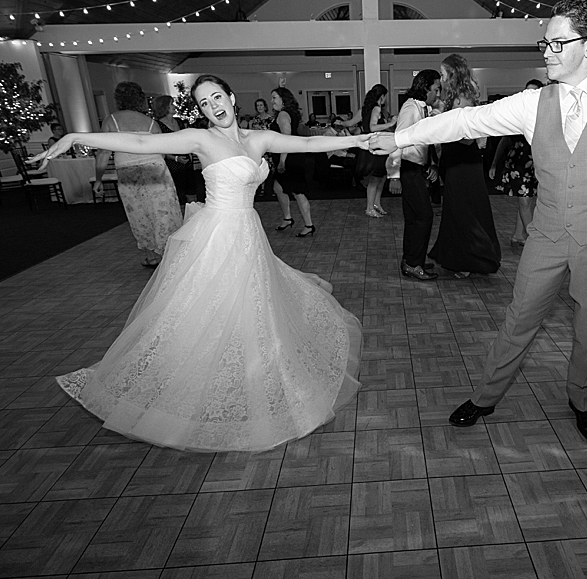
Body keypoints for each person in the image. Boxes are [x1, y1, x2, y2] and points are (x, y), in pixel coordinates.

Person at [371, 0, 587, 443]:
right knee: (518, 318)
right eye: (544, 43)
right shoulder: (532, 103)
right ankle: (486, 396)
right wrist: (401, 136)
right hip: (546, 234)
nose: (546, 52)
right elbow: (466, 122)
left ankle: (582, 399)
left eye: (557, 43)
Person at [27, 74, 368, 452]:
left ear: (231, 96)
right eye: (204, 103)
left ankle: (248, 380)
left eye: (217, 97)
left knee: (253, 311)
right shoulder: (201, 139)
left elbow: (306, 142)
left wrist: (360, 138)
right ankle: (193, 392)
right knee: (207, 314)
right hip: (217, 237)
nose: (213, 106)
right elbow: (140, 141)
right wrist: (77, 138)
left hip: (248, 234)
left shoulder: (257, 138)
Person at [95, 82, 183, 268]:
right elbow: (163, 149)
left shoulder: (111, 121)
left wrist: (98, 178)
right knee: (164, 212)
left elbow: (103, 153)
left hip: (129, 173)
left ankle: (152, 256)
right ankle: (172, 255)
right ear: (140, 98)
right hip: (156, 171)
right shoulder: (151, 123)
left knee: (139, 214)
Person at [428, 54, 501, 278]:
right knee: (454, 209)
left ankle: (473, 259)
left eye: (443, 73)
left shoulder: (464, 96)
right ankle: (454, 256)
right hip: (454, 160)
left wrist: (443, 123)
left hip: (465, 162)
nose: (440, 78)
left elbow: (468, 138)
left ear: (453, 73)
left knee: (466, 210)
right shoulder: (452, 96)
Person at [385, 69, 442, 280]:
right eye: (436, 89)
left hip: (416, 168)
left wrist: (431, 164)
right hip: (408, 168)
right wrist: (394, 176)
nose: (438, 94)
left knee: (413, 218)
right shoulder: (410, 107)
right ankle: (413, 262)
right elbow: (397, 140)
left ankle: (412, 260)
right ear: (426, 87)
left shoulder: (423, 107)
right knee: (424, 216)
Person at [491, 79, 545, 247]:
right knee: (525, 201)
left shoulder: (544, 114)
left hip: (535, 163)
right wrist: (494, 164)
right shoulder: (517, 114)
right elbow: (505, 140)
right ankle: (531, 240)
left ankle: (517, 235)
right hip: (518, 164)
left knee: (527, 200)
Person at [270, 87, 316, 237]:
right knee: (278, 187)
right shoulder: (287, 113)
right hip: (291, 156)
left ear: (283, 100)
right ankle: (287, 218)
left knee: (298, 192)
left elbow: (286, 140)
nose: (272, 101)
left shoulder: (283, 115)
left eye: (274, 98)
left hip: (290, 158)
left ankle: (309, 225)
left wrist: (282, 161)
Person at [354, 84, 398, 218]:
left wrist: (341, 123)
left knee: (381, 178)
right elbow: (372, 127)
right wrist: (390, 124)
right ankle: (369, 208)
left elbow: (351, 123)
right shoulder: (376, 108)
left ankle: (376, 204)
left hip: (376, 146)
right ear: (382, 96)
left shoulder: (366, 109)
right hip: (376, 147)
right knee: (375, 179)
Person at [151, 94, 194, 205]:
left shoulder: (179, 121)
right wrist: (175, 158)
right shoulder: (157, 125)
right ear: (164, 107)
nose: (174, 106)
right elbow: (158, 147)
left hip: (186, 160)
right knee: (177, 195)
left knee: (192, 193)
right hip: (171, 162)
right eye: (171, 104)